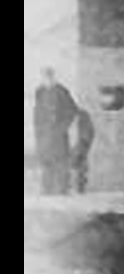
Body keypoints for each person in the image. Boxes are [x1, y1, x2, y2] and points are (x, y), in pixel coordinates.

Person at [34, 67, 78, 195]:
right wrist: (38, 131)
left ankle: (62, 191)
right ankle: (46, 191)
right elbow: (37, 112)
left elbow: (72, 110)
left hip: (58, 135)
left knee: (61, 163)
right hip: (44, 135)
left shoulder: (62, 91)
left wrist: (62, 127)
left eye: (49, 76)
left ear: (53, 77)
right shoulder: (39, 91)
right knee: (46, 162)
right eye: (44, 77)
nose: (46, 79)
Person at [72, 108, 95, 194]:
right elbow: (90, 133)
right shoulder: (83, 118)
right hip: (81, 146)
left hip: (81, 146)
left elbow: (89, 134)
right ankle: (79, 188)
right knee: (80, 167)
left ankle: (80, 188)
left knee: (80, 168)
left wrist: (82, 144)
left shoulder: (83, 118)